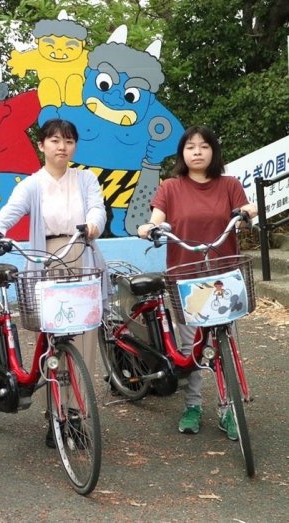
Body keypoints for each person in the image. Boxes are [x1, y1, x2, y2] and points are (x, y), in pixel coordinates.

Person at [0, 118, 107, 448]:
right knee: (51, 336)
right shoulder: (32, 184)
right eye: (56, 140)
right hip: (44, 257)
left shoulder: (86, 179)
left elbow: (97, 210)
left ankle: (75, 413)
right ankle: (56, 414)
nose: (63, 147)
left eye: (69, 141)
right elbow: (10, 211)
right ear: (42, 145)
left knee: (83, 336)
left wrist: (91, 225)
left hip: (81, 254)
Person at [137, 125, 257, 440]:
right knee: (192, 346)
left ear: (213, 152)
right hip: (186, 277)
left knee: (224, 344)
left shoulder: (229, 184)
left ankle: (228, 408)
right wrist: (150, 227)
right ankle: (193, 405)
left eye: (204, 146)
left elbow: (246, 207)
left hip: (223, 277)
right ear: (182, 154)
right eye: (191, 147)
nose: (198, 152)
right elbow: (157, 216)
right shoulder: (171, 188)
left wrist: (246, 212)